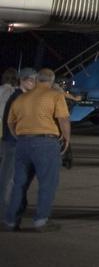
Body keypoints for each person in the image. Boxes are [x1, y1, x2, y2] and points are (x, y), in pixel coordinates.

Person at [3, 68, 70, 232]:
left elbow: (10, 122)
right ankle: (41, 220)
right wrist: (66, 139)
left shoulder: (21, 98)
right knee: (47, 183)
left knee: (19, 183)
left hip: (23, 142)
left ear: (37, 80)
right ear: (52, 80)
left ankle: (11, 221)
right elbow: (63, 119)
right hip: (45, 142)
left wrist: (18, 136)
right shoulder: (55, 95)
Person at [1, 69, 38, 227]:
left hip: (12, 142)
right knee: (10, 181)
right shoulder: (18, 98)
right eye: (34, 81)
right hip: (14, 144)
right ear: (25, 80)